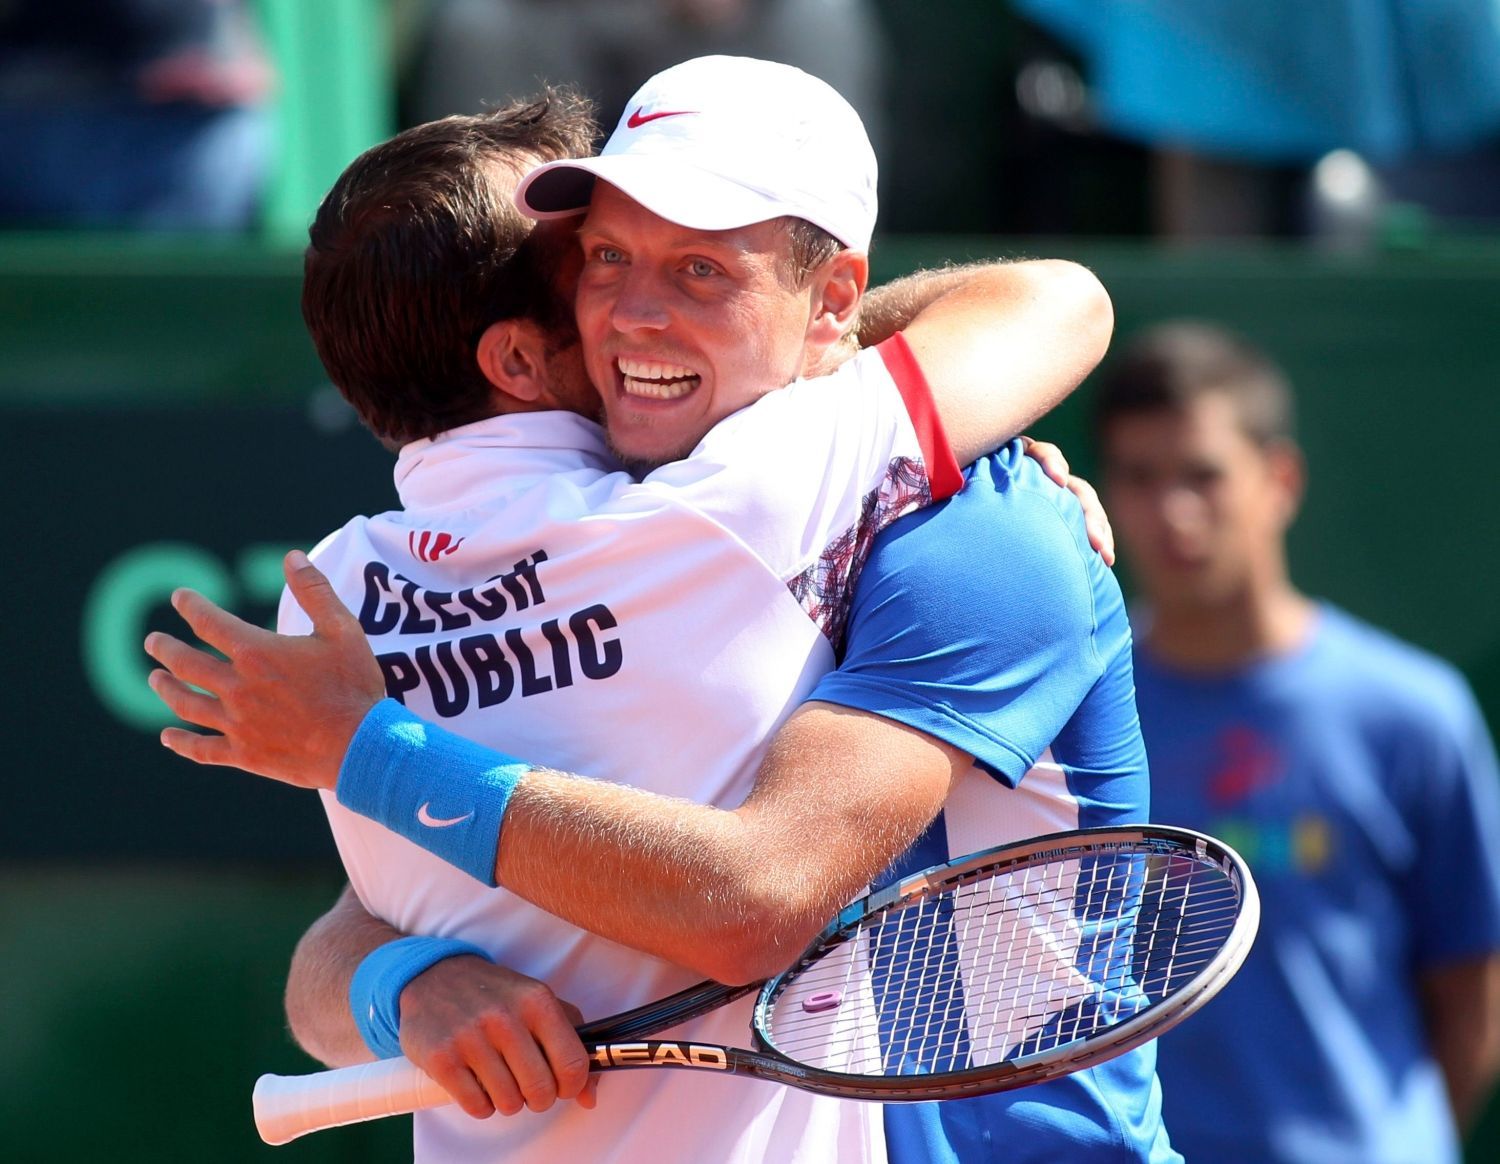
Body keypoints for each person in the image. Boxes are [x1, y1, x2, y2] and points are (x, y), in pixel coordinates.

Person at [147, 54, 1144, 1163]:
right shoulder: (742, 499)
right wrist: (405, 983)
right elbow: (348, 941)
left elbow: (752, 897)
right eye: (602, 259)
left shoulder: (329, 600)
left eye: (702, 271)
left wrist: (368, 750)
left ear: (832, 300)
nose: (632, 315)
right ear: (523, 352)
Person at [1093, 320, 1500, 1163]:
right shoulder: (1073, 712)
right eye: (1139, 477)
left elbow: (1474, 983)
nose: (1172, 512)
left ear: (1280, 480)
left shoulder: (1412, 713)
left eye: (1203, 474)